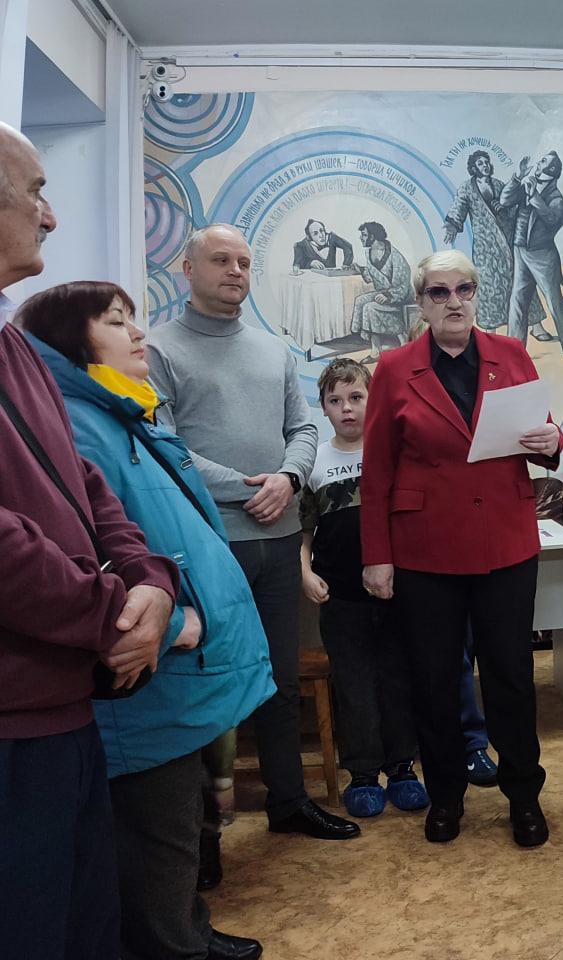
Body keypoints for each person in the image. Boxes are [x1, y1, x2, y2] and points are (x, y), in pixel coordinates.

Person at [20, 281, 273, 960]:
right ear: (72, 339)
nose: (138, 333)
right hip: (146, 656)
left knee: (182, 814)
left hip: (175, 648)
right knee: (156, 827)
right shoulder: (80, 423)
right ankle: (173, 943)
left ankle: (187, 929)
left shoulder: (122, 413)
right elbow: (90, 543)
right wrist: (158, 607)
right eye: (116, 321)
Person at [0, 122, 177, 960]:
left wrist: (152, 582)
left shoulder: (15, 346)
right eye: (36, 192)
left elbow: (85, 485)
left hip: (64, 705)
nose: (51, 217)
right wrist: (115, 612)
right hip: (12, 718)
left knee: (86, 927)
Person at [147, 224, 359, 853]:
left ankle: (288, 802)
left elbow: (304, 428)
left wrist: (289, 478)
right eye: (220, 260)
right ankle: (205, 836)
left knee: (280, 679)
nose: (235, 271)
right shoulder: (158, 350)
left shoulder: (273, 350)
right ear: (188, 270)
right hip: (211, 544)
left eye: (242, 261)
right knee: (212, 685)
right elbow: (166, 447)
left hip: (280, 535)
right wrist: (250, 488)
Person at [361, 250, 563, 847]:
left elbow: (546, 432)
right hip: (425, 550)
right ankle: (446, 796)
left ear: (476, 294)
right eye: (439, 292)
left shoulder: (512, 354)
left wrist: (552, 439)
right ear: (421, 302)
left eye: (464, 289)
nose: (454, 301)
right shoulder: (393, 368)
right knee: (435, 681)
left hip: (505, 541)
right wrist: (377, 555)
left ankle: (524, 794)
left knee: (512, 676)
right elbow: (377, 470)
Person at [300, 358, 429, 819]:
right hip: (341, 596)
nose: (347, 409)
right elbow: (304, 530)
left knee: (397, 679)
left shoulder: (391, 453)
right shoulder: (315, 461)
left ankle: (402, 768)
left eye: (356, 398)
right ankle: (362, 774)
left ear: (374, 401)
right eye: (335, 401)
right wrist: (304, 571)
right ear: (323, 407)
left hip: (396, 591)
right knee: (354, 685)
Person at [442, 149, 548, 338]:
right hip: (486, 248)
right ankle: (490, 332)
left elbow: (512, 203)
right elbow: (458, 208)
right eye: (480, 163)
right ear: (474, 167)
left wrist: (505, 206)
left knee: (521, 282)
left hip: (507, 243)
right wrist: (452, 226)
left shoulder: (498, 185)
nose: (485, 165)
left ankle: (536, 326)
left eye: (486, 162)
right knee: (489, 288)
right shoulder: (467, 188)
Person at [502, 151, 563, 357]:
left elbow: (553, 220)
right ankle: (513, 350)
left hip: (542, 256)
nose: (538, 163)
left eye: (544, 161)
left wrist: (534, 197)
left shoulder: (556, 198)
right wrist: (517, 178)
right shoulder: (526, 185)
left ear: (551, 170)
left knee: (554, 301)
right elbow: (505, 200)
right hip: (519, 250)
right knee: (517, 300)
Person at [351, 221, 415, 359]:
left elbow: (403, 284)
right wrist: (360, 269)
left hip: (400, 295)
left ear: (372, 236)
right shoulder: (369, 252)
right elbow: (372, 276)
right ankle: (374, 346)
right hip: (383, 293)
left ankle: (395, 343)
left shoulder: (395, 256)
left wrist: (388, 295)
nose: (361, 238)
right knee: (361, 301)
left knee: (370, 307)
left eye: (364, 235)